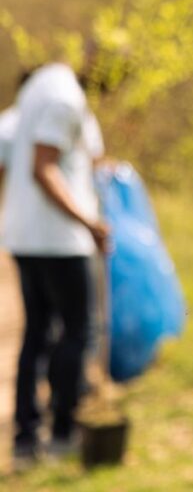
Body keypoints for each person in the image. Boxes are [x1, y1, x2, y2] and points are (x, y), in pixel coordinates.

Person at [2, 60, 109, 464]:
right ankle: (63, 431)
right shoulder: (65, 99)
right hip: (60, 241)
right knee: (78, 331)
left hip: (23, 236)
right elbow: (42, 168)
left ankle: (25, 439)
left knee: (37, 333)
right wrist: (91, 223)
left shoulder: (34, 93)